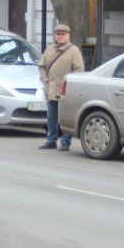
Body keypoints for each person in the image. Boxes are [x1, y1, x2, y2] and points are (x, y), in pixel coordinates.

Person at [38, 23, 84, 152]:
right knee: (51, 116)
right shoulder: (49, 49)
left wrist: (69, 83)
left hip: (66, 90)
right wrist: (44, 79)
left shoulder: (74, 51)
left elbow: (79, 70)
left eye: (63, 34)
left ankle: (65, 142)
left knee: (65, 117)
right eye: (58, 34)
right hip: (51, 88)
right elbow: (42, 66)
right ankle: (51, 140)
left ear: (68, 36)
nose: (60, 37)